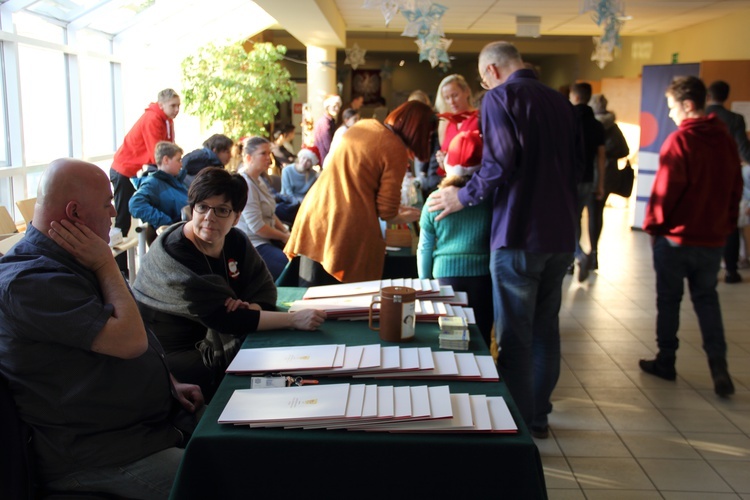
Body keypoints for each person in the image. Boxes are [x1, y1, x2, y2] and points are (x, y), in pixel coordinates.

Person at [0, 158, 203, 499]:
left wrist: (168, 384)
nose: (114, 212)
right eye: (107, 203)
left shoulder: (73, 259)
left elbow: (126, 334)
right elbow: (129, 342)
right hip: (98, 456)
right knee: (225, 480)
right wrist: (107, 262)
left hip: (142, 431)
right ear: (75, 212)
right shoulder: (28, 281)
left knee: (242, 449)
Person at [428, 41, 581, 439]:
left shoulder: (501, 98)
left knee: (514, 335)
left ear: (492, 72)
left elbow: (499, 164)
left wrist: (461, 195)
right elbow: (577, 168)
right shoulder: (561, 103)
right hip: (561, 233)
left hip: (518, 231)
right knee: (546, 329)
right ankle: (540, 414)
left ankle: (517, 424)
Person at [133, 167, 326, 402]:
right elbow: (224, 319)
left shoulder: (235, 240)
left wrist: (254, 307)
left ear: (236, 216)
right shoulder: (176, 253)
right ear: (191, 209)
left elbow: (263, 289)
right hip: (179, 356)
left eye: (222, 210)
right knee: (269, 382)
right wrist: (293, 319)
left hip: (224, 339)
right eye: (202, 207)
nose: (209, 218)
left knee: (299, 368)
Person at [639, 76, 742, 397]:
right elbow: (735, 188)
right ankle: (719, 366)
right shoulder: (725, 140)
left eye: (671, 107)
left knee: (669, 301)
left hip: (676, 240)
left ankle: (666, 360)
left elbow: (665, 192)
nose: (670, 114)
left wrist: (654, 227)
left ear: (687, 105)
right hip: (712, 239)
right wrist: (725, 225)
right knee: (707, 299)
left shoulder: (680, 141)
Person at [285, 101, 432, 286]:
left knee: (307, 297)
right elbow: (387, 211)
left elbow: (359, 179)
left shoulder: (364, 125)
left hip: (315, 212)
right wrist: (412, 216)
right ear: (419, 130)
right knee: (334, 305)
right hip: (344, 226)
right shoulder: (395, 148)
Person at [417, 130, 493, 347]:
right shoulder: (489, 199)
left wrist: (425, 282)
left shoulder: (434, 199)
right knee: (482, 339)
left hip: (445, 277)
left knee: (452, 340)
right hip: (482, 278)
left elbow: (424, 247)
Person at [110, 88, 180, 272]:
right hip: (125, 171)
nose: (176, 109)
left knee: (151, 216)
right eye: (173, 105)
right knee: (123, 220)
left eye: (178, 105)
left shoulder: (167, 120)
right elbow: (157, 154)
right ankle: (120, 270)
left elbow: (166, 152)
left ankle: (155, 263)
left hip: (140, 171)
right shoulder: (153, 119)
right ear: (161, 104)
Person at [706, 80, 750, 283]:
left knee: (706, 223)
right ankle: (731, 270)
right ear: (727, 96)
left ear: (709, 95)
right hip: (728, 178)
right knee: (729, 224)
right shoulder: (735, 119)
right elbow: (745, 152)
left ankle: (709, 270)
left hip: (703, 177)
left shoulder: (701, 117)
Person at [236, 137, 292, 280]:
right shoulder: (245, 184)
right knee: (289, 268)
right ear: (249, 158)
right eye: (263, 154)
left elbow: (271, 213)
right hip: (254, 245)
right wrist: (285, 237)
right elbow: (257, 227)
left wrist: (286, 231)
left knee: (300, 257)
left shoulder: (258, 179)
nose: (269, 158)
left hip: (267, 240)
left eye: (269, 153)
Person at [588, 94, 630, 271]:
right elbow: (624, 150)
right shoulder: (614, 128)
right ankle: (594, 252)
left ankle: (578, 256)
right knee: (598, 215)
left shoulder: (587, 125)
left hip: (589, 174)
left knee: (583, 216)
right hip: (609, 176)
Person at [569, 82, 605, 281]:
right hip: (589, 178)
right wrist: (600, 183)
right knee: (593, 218)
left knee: (571, 220)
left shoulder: (567, 119)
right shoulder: (596, 124)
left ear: (574, 97)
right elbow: (601, 156)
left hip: (569, 178)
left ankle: (577, 255)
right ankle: (592, 254)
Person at [423, 75, 479, 196]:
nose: (451, 102)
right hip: (449, 184)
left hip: (474, 185)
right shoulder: (447, 122)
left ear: (467, 92)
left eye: (455, 95)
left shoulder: (479, 118)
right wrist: (442, 160)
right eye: (447, 98)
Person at [129, 141, 189, 245]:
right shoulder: (153, 183)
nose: (181, 164)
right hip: (176, 236)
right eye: (178, 160)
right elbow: (135, 204)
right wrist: (166, 222)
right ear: (166, 160)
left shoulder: (176, 180)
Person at [313, 94, 342, 165]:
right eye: (334, 106)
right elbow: (327, 144)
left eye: (338, 106)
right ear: (327, 107)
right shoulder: (325, 122)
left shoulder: (330, 121)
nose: (337, 109)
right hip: (326, 159)